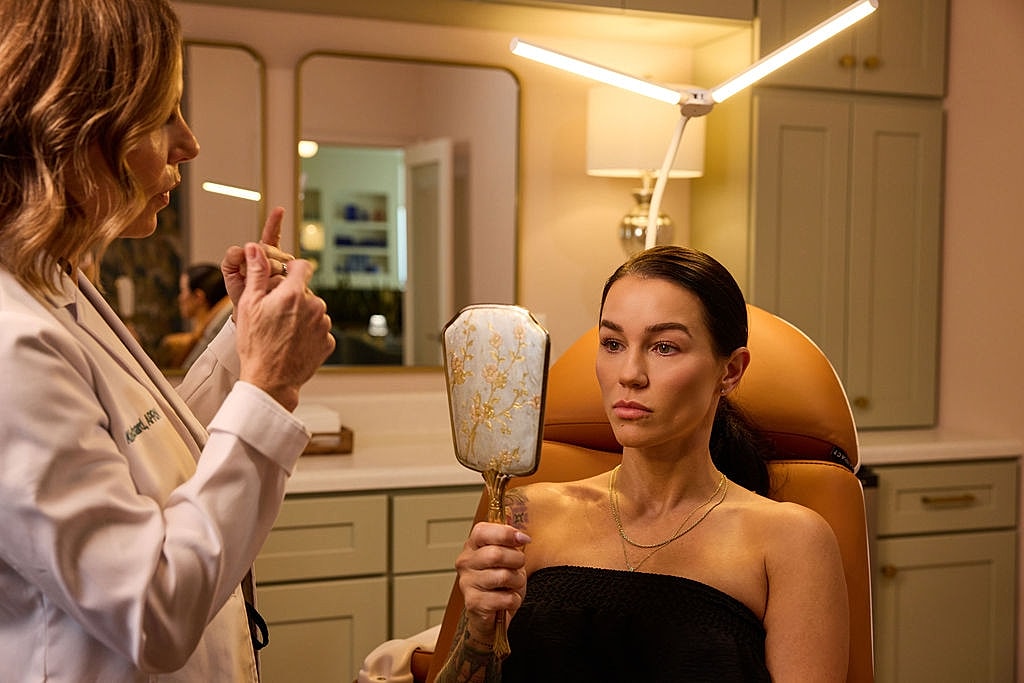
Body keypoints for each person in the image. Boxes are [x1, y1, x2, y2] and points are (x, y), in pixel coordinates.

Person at [0, 1, 335, 681]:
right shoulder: (13, 342)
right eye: (163, 116)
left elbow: (151, 445)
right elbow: (152, 607)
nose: (189, 144)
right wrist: (265, 385)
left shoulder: (56, 282)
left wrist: (244, 345)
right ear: (76, 129)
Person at [436, 246, 849, 682]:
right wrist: (481, 631)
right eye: (612, 344)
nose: (629, 373)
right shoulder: (523, 516)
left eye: (665, 347)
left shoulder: (790, 542)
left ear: (729, 371)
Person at [160, 263, 233, 369]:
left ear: (198, 297)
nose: (180, 298)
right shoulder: (204, 335)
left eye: (183, 291)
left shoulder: (212, 339)